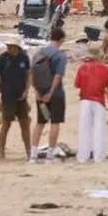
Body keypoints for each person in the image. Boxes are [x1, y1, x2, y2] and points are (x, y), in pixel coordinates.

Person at [0, 39, 33, 161]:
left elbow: (28, 75)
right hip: (7, 97)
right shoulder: (1, 59)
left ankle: (29, 152)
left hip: (21, 97)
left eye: (11, 46)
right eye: (8, 46)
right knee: (6, 125)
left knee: (25, 125)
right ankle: (1, 154)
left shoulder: (24, 57)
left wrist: (27, 91)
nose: (9, 48)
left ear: (17, 47)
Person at [30, 28, 69, 160]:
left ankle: (33, 154)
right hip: (56, 93)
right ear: (61, 39)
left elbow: (32, 74)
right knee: (55, 122)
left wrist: (36, 92)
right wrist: (50, 93)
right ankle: (50, 154)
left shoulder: (39, 53)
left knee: (41, 122)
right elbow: (58, 76)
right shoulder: (60, 55)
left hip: (40, 93)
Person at [75, 44, 108, 164]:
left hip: (85, 99)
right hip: (99, 100)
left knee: (84, 128)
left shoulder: (82, 68)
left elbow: (77, 84)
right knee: (99, 129)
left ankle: (83, 156)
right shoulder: (104, 68)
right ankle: (99, 156)